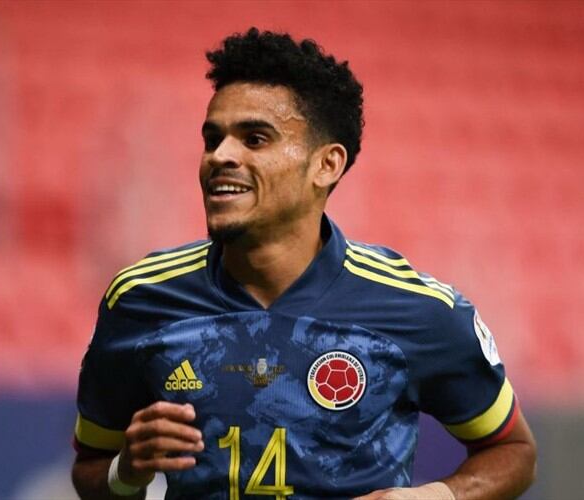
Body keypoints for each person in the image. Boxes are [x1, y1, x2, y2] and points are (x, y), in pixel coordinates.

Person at [71, 28, 536, 499]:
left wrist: (429, 498)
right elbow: (89, 467)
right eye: (213, 139)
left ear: (327, 165)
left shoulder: (420, 310)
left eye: (254, 139)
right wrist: (125, 470)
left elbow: (513, 451)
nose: (220, 157)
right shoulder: (140, 298)